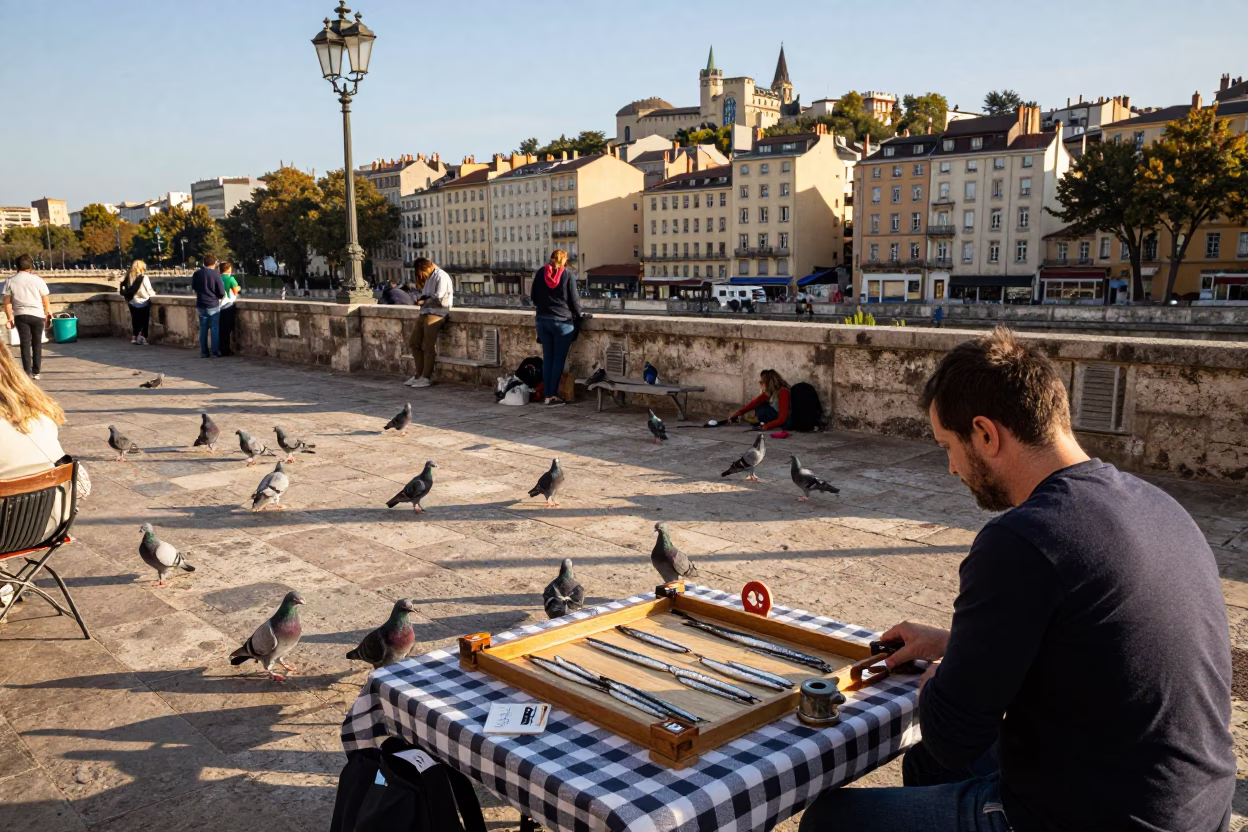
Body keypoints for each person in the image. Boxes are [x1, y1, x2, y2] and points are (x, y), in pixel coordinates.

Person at [798, 326, 1235, 832]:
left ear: (986, 434)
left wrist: (943, 679)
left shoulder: (1023, 540)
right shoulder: (1156, 504)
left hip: (1096, 820)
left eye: (949, 447)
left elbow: (951, 733)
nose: (951, 469)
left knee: (831, 819)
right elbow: (1088, 641)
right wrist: (956, 643)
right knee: (927, 767)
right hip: (1193, 809)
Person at [530, 249, 585, 407]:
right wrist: (580, 315)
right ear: (564, 261)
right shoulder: (567, 275)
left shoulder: (541, 273)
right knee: (558, 360)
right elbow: (574, 301)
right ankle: (552, 396)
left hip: (542, 321)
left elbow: (533, 296)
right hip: (562, 322)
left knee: (548, 358)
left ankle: (547, 394)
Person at [404, 258, 453, 388]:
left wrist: (423, 301)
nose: (422, 276)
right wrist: (421, 300)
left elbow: (439, 295)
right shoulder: (430, 277)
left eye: (421, 272)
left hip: (437, 313)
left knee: (428, 345)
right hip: (425, 312)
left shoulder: (441, 276)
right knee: (414, 342)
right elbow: (428, 294)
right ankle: (419, 375)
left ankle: (426, 377)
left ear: (427, 268)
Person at [3, 254, 51, 379]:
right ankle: (37, 371)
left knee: (24, 344)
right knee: (37, 343)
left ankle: (27, 372)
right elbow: (45, 299)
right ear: (31, 266)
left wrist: (10, 317)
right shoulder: (38, 280)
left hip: (21, 315)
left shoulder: (10, 281)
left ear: (17, 266)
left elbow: (7, 302)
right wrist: (47, 313)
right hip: (37, 315)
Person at [190, 255, 225, 358]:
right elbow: (221, 291)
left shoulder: (197, 274)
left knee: (203, 328)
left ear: (204, 263)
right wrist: (217, 297)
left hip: (201, 303)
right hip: (213, 304)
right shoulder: (216, 274)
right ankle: (215, 351)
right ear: (214, 263)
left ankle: (204, 352)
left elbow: (194, 287)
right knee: (215, 328)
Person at [121, 259, 155, 345]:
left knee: (135, 320)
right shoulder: (144, 277)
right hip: (143, 301)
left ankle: (134, 337)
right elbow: (149, 290)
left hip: (132, 301)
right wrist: (154, 294)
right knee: (144, 320)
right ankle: (143, 338)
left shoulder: (128, 276)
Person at [217, 261, 241, 356]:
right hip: (227, 305)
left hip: (217, 306)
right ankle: (225, 349)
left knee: (219, 328)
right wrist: (238, 288)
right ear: (227, 269)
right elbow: (235, 290)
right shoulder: (230, 279)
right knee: (227, 328)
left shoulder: (217, 278)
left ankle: (218, 348)